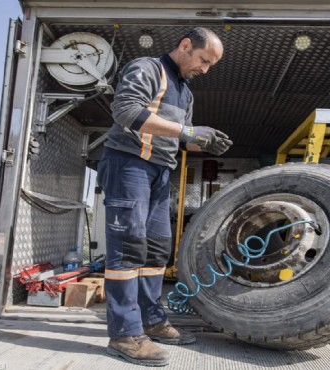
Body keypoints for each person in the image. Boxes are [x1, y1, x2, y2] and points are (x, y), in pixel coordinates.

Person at [96, 27, 231, 367]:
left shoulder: (185, 92)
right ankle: (125, 334)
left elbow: (180, 137)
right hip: (129, 165)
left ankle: (152, 321)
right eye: (204, 60)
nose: (205, 69)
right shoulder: (147, 69)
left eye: (211, 64)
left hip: (159, 173)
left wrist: (206, 140)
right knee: (128, 250)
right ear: (185, 46)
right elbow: (126, 111)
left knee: (155, 250)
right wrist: (188, 131)